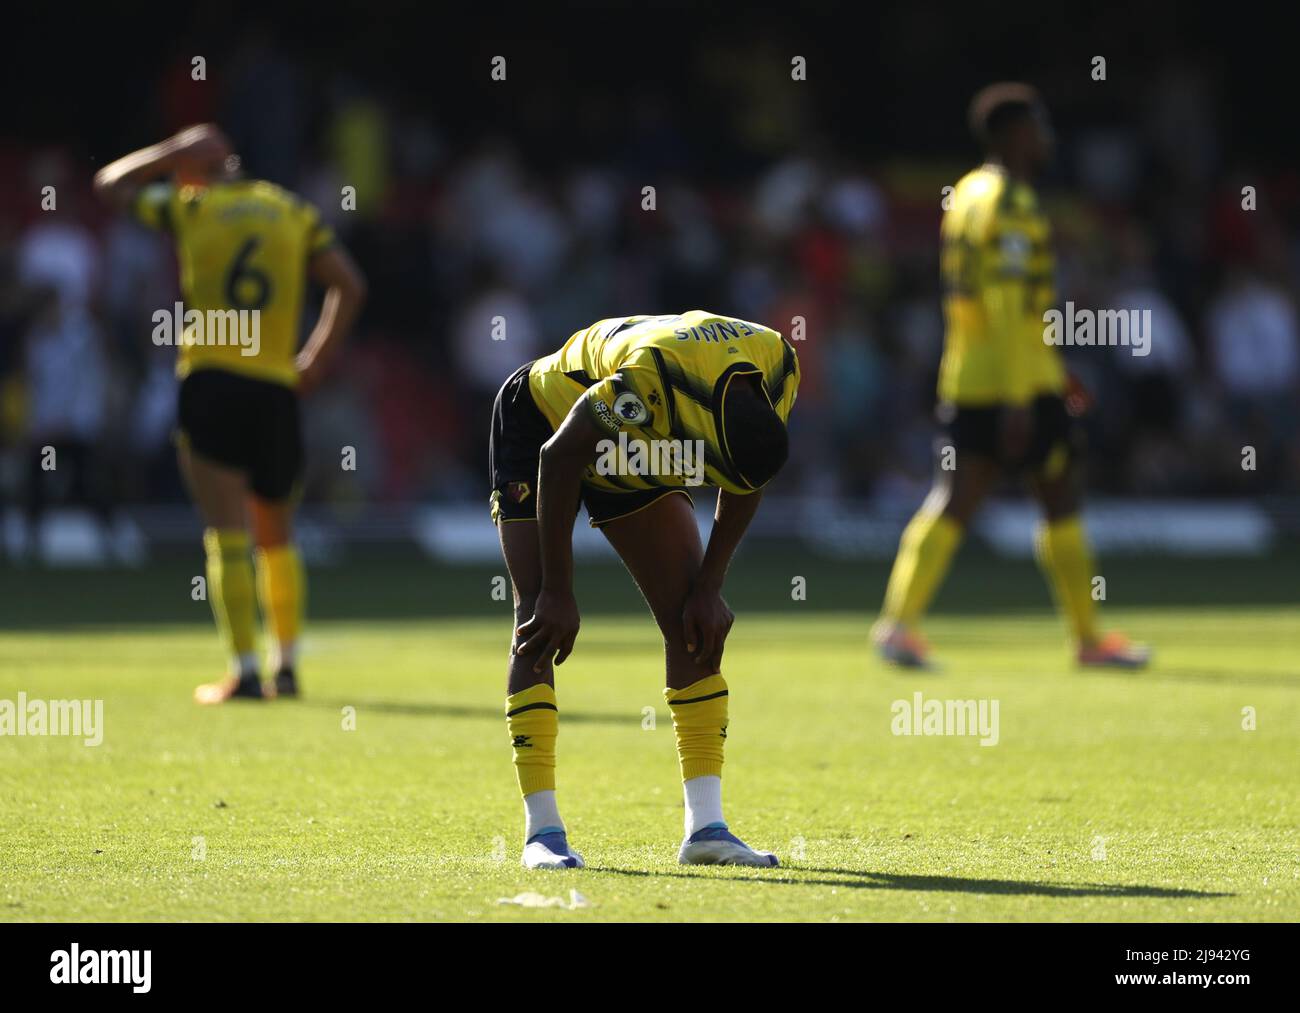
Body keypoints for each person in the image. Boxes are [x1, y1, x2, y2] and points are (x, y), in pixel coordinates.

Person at [490, 312, 798, 868]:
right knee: (537, 618)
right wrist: (558, 590)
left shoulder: (779, 365)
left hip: (648, 434)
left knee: (692, 622)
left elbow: (749, 480)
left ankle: (707, 828)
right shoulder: (655, 376)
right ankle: (543, 833)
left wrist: (711, 584)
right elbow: (559, 458)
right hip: (548, 421)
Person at [872, 85, 1149, 670]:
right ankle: (1089, 637)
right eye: (1038, 126)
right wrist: (1024, 393)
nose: (1046, 137)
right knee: (1056, 499)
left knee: (962, 499)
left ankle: (898, 625)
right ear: (1014, 135)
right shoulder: (1014, 201)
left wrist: (1055, 366)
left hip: (971, 374)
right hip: (1013, 384)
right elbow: (1005, 299)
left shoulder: (968, 193)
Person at [94, 124, 367, 702]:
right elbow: (350, 284)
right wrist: (314, 358)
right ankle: (287, 666)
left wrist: (169, 153)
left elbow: (110, 185)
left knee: (227, 534)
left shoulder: (192, 207)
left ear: (196, 167)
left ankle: (244, 671)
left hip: (213, 377)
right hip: (274, 384)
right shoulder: (293, 212)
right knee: (278, 534)